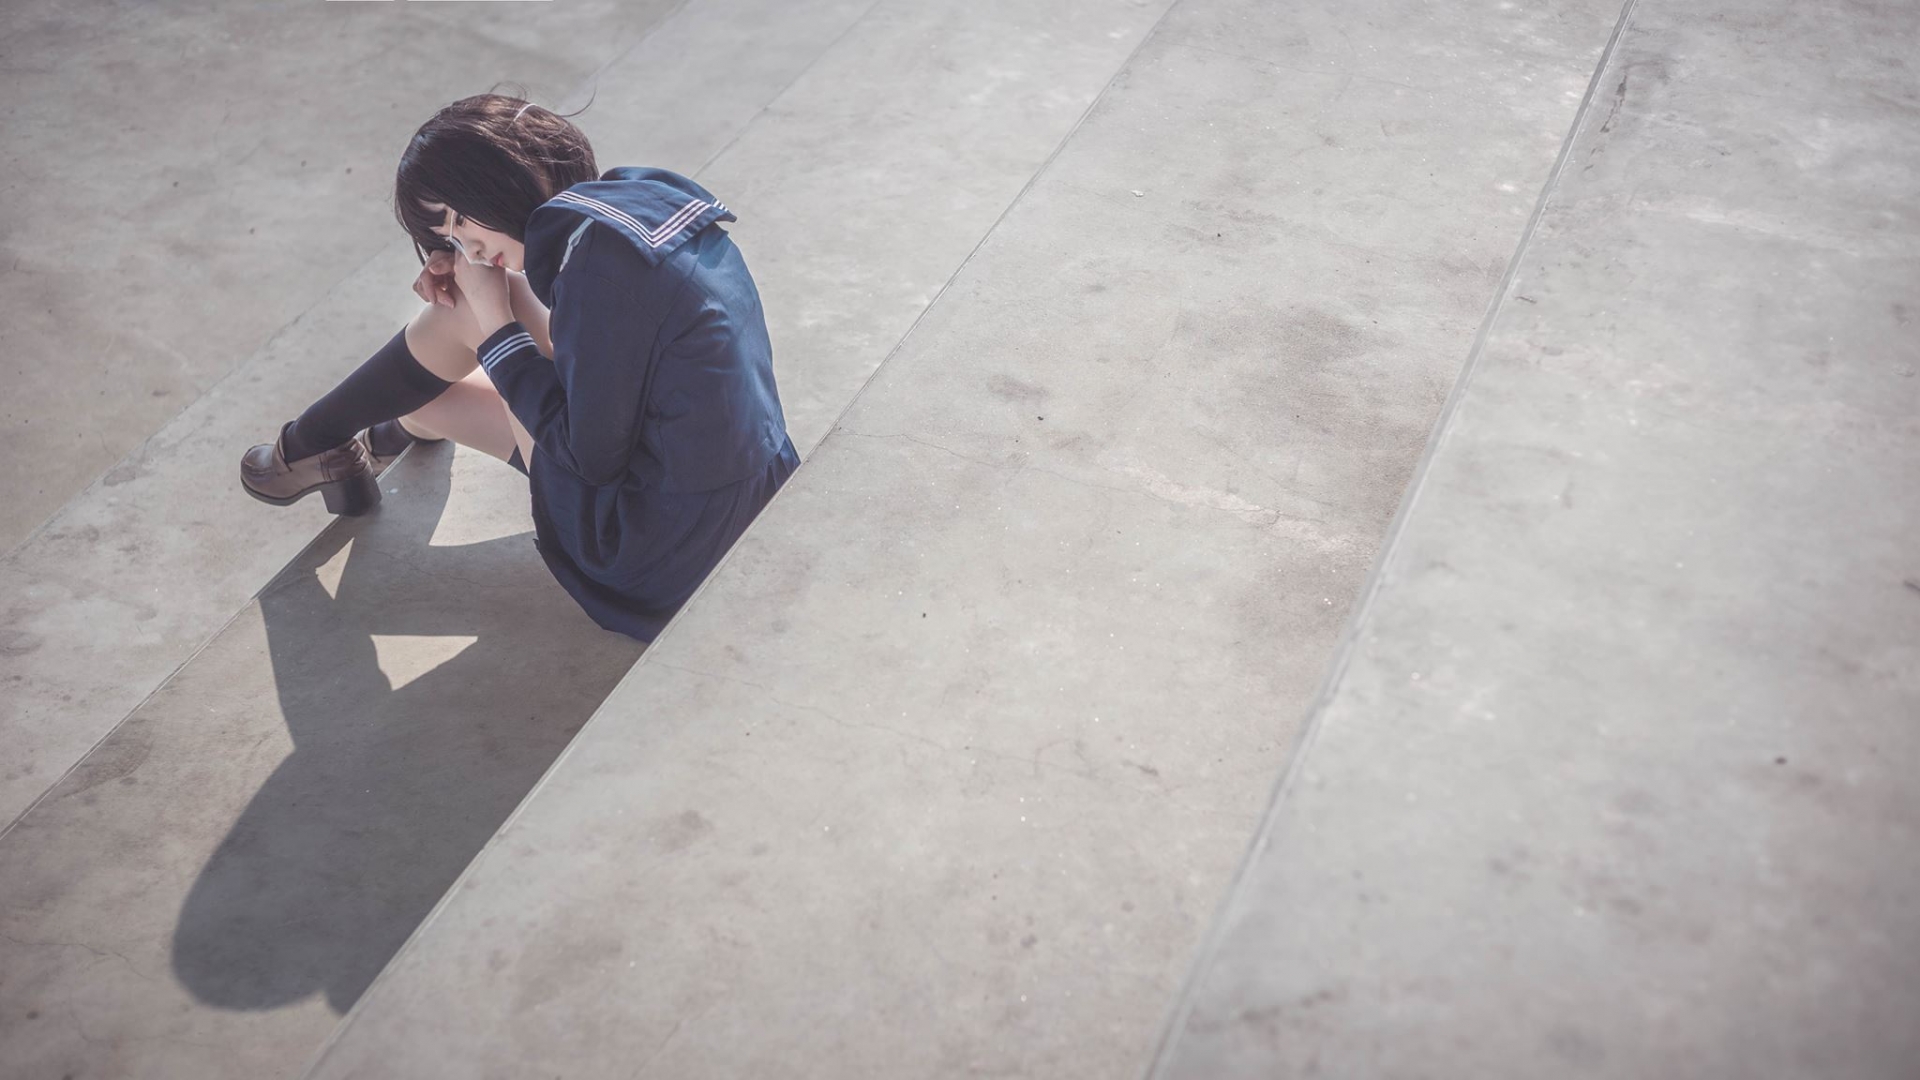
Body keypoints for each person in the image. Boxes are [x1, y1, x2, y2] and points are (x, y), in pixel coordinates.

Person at [240, 92, 799, 642]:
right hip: (747, 499)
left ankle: (311, 446)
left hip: (662, 554)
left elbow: (589, 458)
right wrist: (477, 273)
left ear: (504, 185)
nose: (468, 247)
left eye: (461, 220)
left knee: (465, 313)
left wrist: (492, 319)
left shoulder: (600, 284)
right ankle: (399, 427)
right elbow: (611, 356)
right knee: (439, 364)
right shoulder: (638, 204)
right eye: (448, 237)